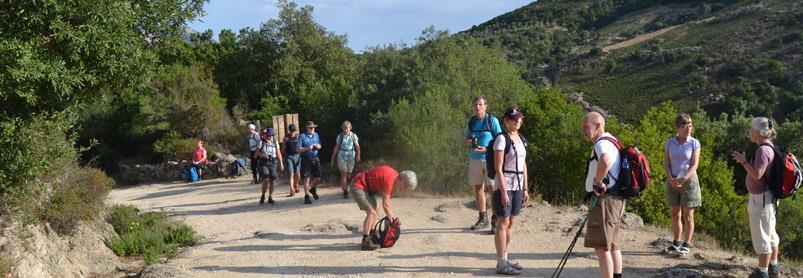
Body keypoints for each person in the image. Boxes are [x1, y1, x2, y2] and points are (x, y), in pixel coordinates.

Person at [731, 117, 781, 278]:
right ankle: (773, 267)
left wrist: (743, 162)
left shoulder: (762, 150)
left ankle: (762, 272)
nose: (749, 133)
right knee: (771, 233)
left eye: (751, 130)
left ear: (758, 133)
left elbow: (757, 175)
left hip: (761, 201)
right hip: (768, 199)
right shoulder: (768, 147)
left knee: (762, 236)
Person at [581, 111, 625, 278]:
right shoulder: (613, 141)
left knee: (601, 247)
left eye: (586, 127)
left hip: (605, 200)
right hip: (616, 199)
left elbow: (605, 161)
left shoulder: (601, 144)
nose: (584, 131)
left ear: (598, 126)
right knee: (613, 244)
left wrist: (597, 182)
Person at [492, 107, 528, 275]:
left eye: (519, 118)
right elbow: (498, 168)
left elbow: (523, 165)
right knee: (503, 222)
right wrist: (504, 191)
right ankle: (501, 263)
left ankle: (505, 259)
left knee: (511, 222)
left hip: (518, 185)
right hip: (504, 185)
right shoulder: (501, 139)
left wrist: (526, 188)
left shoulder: (521, 139)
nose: (517, 121)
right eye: (514, 119)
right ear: (506, 121)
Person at [349, 165, 417, 251]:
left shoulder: (394, 175)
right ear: (402, 180)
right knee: (371, 213)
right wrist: (393, 221)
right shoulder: (389, 180)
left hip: (366, 187)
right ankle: (365, 242)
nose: (404, 188)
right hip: (358, 185)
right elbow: (386, 205)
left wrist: (393, 219)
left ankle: (371, 237)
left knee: (376, 210)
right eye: (405, 186)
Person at [662, 114, 701, 256]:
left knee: (688, 214)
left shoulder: (694, 143)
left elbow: (694, 164)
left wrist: (683, 179)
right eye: (685, 126)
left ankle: (687, 244)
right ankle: (676, 242)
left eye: (690, 125)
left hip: (689, 181)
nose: (688, 128)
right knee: (674, 214)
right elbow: (666, 163)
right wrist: (670, 177)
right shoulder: (669, 143)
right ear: (677, 128)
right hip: (672, 180)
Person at [466, 96, 503, 231]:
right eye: (475, 104)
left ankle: (495, 219)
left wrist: (487, 149)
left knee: (493, 189)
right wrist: (470, 142)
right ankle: (483, 218)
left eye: (480, 104)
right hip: (475, 158)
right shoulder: (471, 121)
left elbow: (500, 139)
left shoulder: (492, 120)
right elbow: (467, 138)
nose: (478, 107)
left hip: (489, 158)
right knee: (478, 187)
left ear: (486, 106)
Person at [331, 121, 361, 199]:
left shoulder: (353, 136)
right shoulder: (340, 136)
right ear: (342, 128)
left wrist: (358, 155)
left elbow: (357, 146)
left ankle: (346, 186)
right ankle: (345, 191)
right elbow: (336, 147)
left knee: (349, 175)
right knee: (343, 173)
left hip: (351, 156)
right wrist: (332, 159)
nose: (346, 130)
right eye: (344, 128)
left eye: (347, 128)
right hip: (341, 155)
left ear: (350, 128)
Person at [297, 121, 323, 204]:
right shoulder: (302, 136)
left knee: (318, 177)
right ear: (307, 128)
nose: (312, 129)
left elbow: (320, 145)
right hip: (306, 158)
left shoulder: (316, 135)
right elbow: (298, 149)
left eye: (313, 127)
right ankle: (306, 196)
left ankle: (312, 189)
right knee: (306, 178)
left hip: (315, 158)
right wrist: (307, 148)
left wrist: (317, 146)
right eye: (310, 128)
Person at [257, 128, 284, 205]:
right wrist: (262, 155)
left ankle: (270, 197)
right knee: (266, 179)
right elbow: (257, 153)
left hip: (273, 162)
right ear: (265, 135)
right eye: (268, 135)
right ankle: (263, 195)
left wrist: (281, 163)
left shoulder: (275, 143)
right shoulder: (261, 142)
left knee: (272, 179)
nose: (270, 137)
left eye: (271, 135)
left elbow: (279, 153)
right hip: (264, 162)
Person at [284, 123, 301, 197]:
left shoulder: (298, 137)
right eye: (291, 130)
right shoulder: (286, 138)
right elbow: (283, 148)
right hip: (289, 156)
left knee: (297, 173)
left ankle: (296, 184)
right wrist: (282, 159)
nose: (292, 132)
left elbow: (301, 146)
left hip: (297, 156)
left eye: (293, 130)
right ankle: (291, 190)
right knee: (291, 173)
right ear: (289, 130)